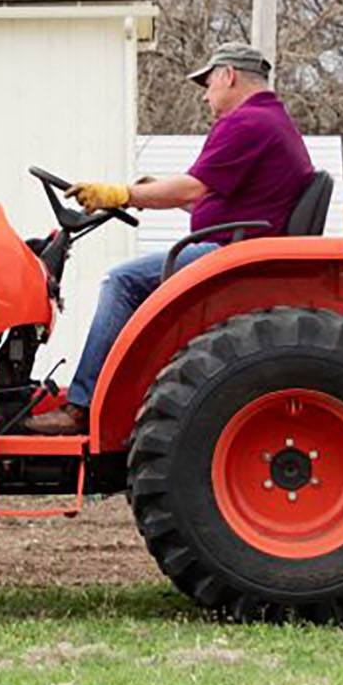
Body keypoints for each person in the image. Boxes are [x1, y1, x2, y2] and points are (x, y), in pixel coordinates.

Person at [26, 42, 314, 435]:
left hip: (230, 252)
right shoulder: (269, 121)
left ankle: (81, 407)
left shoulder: (247, 124)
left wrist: (122, 194)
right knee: (131, 279)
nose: (205, 92)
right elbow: (215, 197)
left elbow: (193, 190)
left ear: (228, 75)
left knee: (123, 282)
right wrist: (148, 193)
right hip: (239, 242)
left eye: (208, 81)